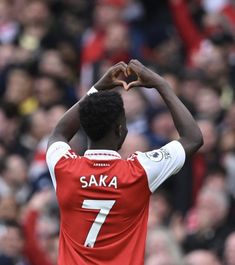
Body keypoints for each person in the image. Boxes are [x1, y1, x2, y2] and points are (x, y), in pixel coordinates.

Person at [46, 60, 203, 265]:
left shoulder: (64, 168)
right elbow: (193, 138)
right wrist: (161, 85)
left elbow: (59, 133)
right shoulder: (140, 171)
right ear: (120, 129)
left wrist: (97, 88)